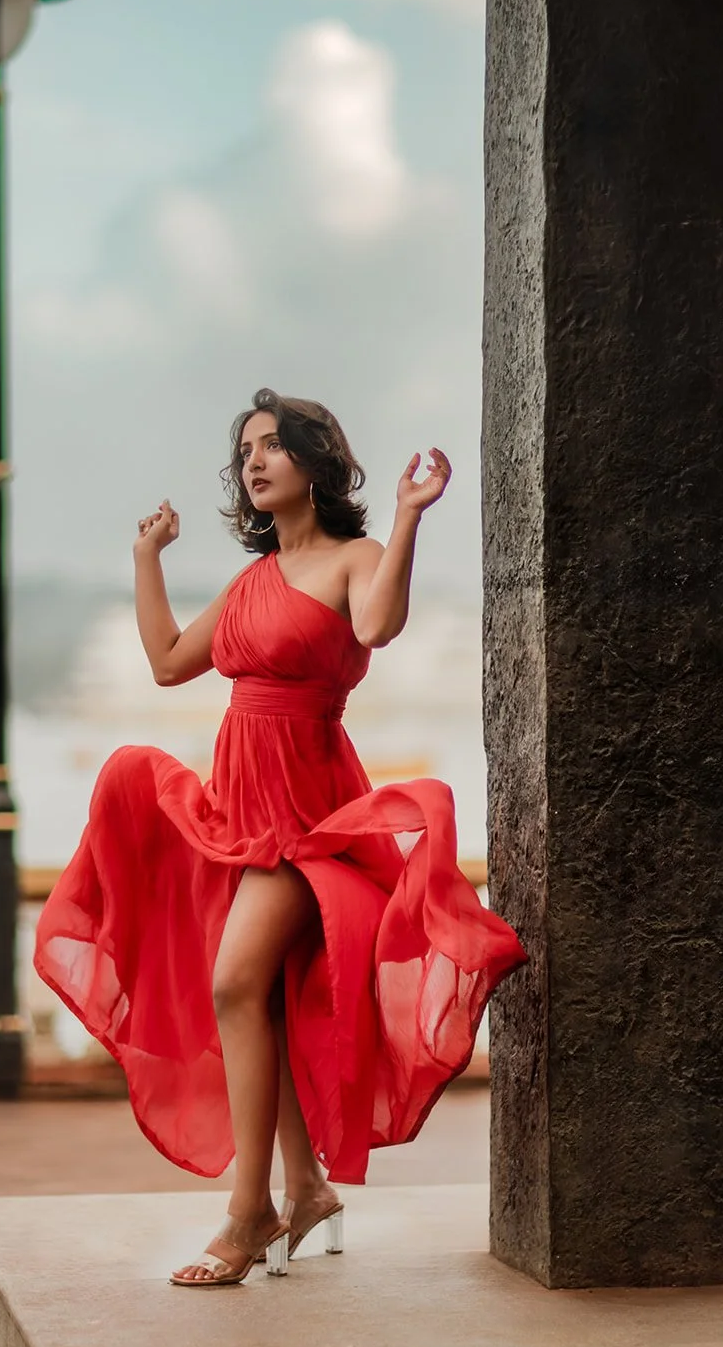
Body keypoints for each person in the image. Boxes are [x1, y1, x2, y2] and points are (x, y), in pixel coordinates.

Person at [34, 387, 527, 1287]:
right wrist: (146, 558)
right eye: (245, 452)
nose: (254, 462)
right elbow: (169, 663)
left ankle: (249, 1207)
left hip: (310, 818)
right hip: (238, 811)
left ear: (315, 462)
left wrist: (411, 516)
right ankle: (304, 1190)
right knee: (252, 998)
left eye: (272, 446)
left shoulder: (353, 558)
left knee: (234, 983)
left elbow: (376, 625)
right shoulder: (252, 581)